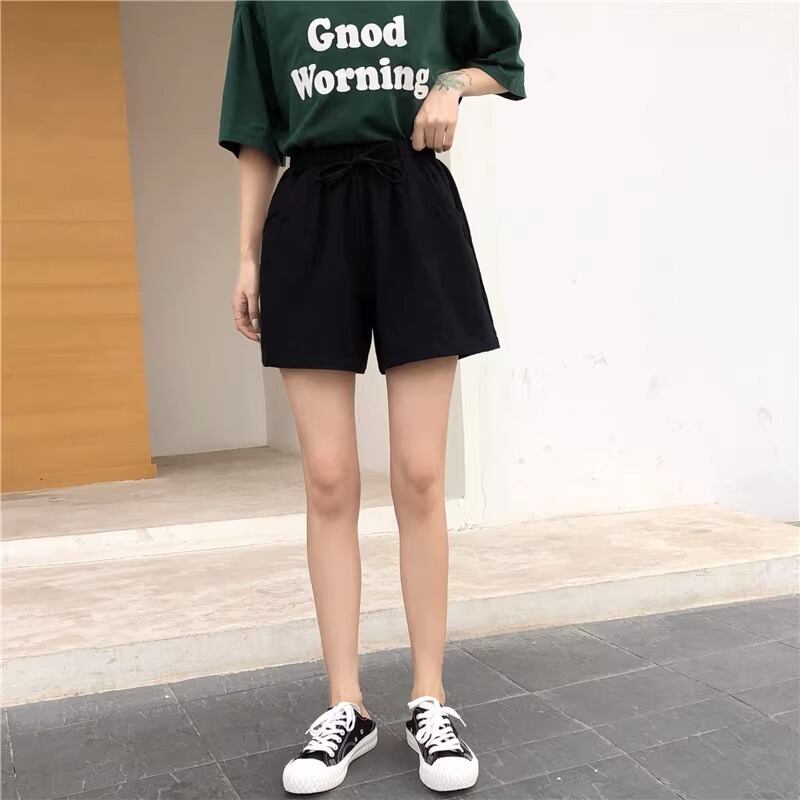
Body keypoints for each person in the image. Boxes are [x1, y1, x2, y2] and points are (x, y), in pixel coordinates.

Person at [219, 1, 524, 793]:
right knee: (327, 479)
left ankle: (430, 699)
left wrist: (451, 84)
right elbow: (256, 132)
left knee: (420, 473)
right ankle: (345, 706)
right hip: (309, 214)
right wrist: (247, 257)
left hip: (413, 204)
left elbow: (501, 57)